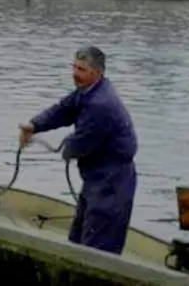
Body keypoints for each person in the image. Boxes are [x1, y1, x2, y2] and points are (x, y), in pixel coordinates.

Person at [19, 46, 138, 255]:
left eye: (82, 70)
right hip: (94, 179)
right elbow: (64, 109)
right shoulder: (87, 91)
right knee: (77, 239)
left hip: (112, 181)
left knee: (98, 249)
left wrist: (66, 148)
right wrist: (34, 125)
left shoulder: (101, 104)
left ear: (97, 73)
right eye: (74, 67)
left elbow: (82, 143)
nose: (75, 74)